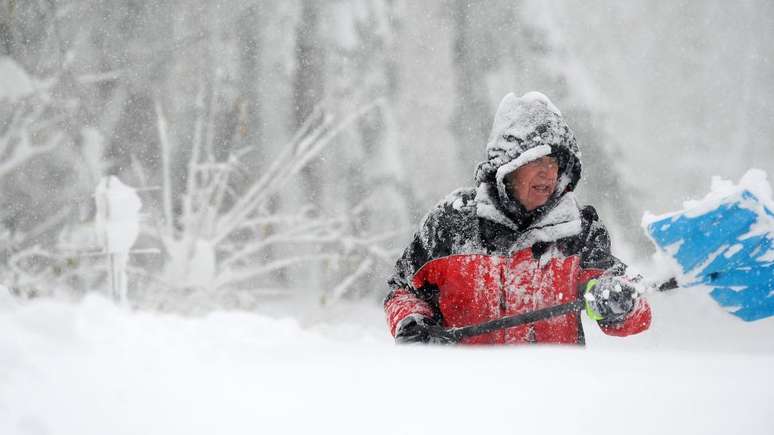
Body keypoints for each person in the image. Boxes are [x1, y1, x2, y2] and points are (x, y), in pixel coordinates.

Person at [384, 91, 651, 345]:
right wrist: (412, 322)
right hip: (464, 388)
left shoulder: (579, 232)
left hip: (557, 389)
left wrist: (620, 302)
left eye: (554, 163)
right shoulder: (450, 226)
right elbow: (402, 289)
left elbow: (632, 307)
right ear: (508, 166)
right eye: (538, 160)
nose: (548, 173)